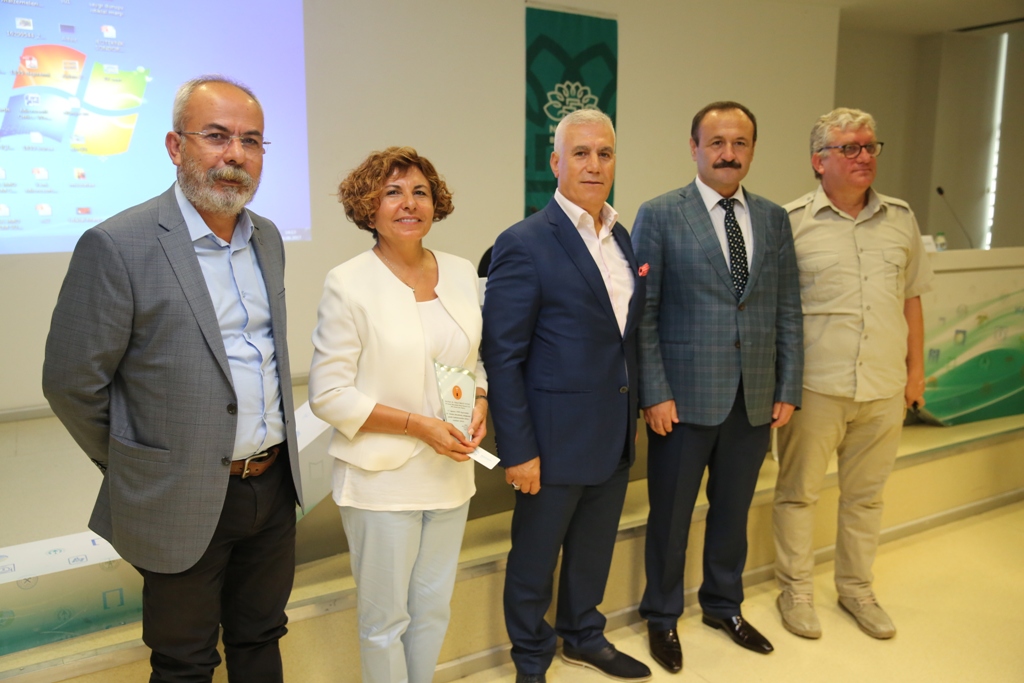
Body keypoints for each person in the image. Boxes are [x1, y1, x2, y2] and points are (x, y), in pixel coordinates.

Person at [42, 75, 302, 683]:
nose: (235, 154)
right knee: (184, 662)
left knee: (262, 638)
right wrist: (137, 463)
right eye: (216, 136)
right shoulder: (118, 244)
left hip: (270, 486)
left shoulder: (267, 237)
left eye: (251, 140)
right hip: (178, 495)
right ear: (175, 145)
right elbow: (71, 382)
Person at [631, 101, 803, 673]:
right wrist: (654, 392)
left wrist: (788, 383)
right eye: (717, 143)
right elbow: (644, 314)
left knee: (732, 512)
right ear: (695, 148)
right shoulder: (660, 214)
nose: (729, 154)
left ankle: (723, 606)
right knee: (671, 516)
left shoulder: (774, 218)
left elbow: (787, 307)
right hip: (681, 401)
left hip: (753, 397)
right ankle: (661, 615)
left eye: (740, 143)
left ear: (752, 149)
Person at [482, 109, 651, 683]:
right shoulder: (524, 242)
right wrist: (518, 450)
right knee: (534, 561)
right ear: (555, 162)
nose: (594, 164)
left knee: (593, 550)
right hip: (550, 444)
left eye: (604, 153)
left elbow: (622, 337)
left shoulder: (620, 237)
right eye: (580, 153)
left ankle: (583, 636)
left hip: (612, 433)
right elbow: (503, 356)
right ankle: (531, 659)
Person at [308, 147, 488, 683]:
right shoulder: (348, 282)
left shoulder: (460, 272)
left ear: (436, 204)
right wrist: (418, 426)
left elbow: (473, 361)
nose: (409, 203)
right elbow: (328, 394)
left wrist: (480, 400)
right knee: (385, 623)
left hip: (449, 473)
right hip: (381, 481)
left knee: (432, 611)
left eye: (420, 192)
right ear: (369, 206)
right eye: (393, 192)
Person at [772, 108, 933, 641]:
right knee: (798, 494)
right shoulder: (791, 223)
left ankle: (857, 589)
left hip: (883, 387)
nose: (864, 156)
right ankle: (795, 590)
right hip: (816, 387)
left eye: (869, 146)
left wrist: (915, 372)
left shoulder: (901, 218)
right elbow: (777, 312)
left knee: (866, 498)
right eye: (850, 148)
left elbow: (911, 299)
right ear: (819, 161)